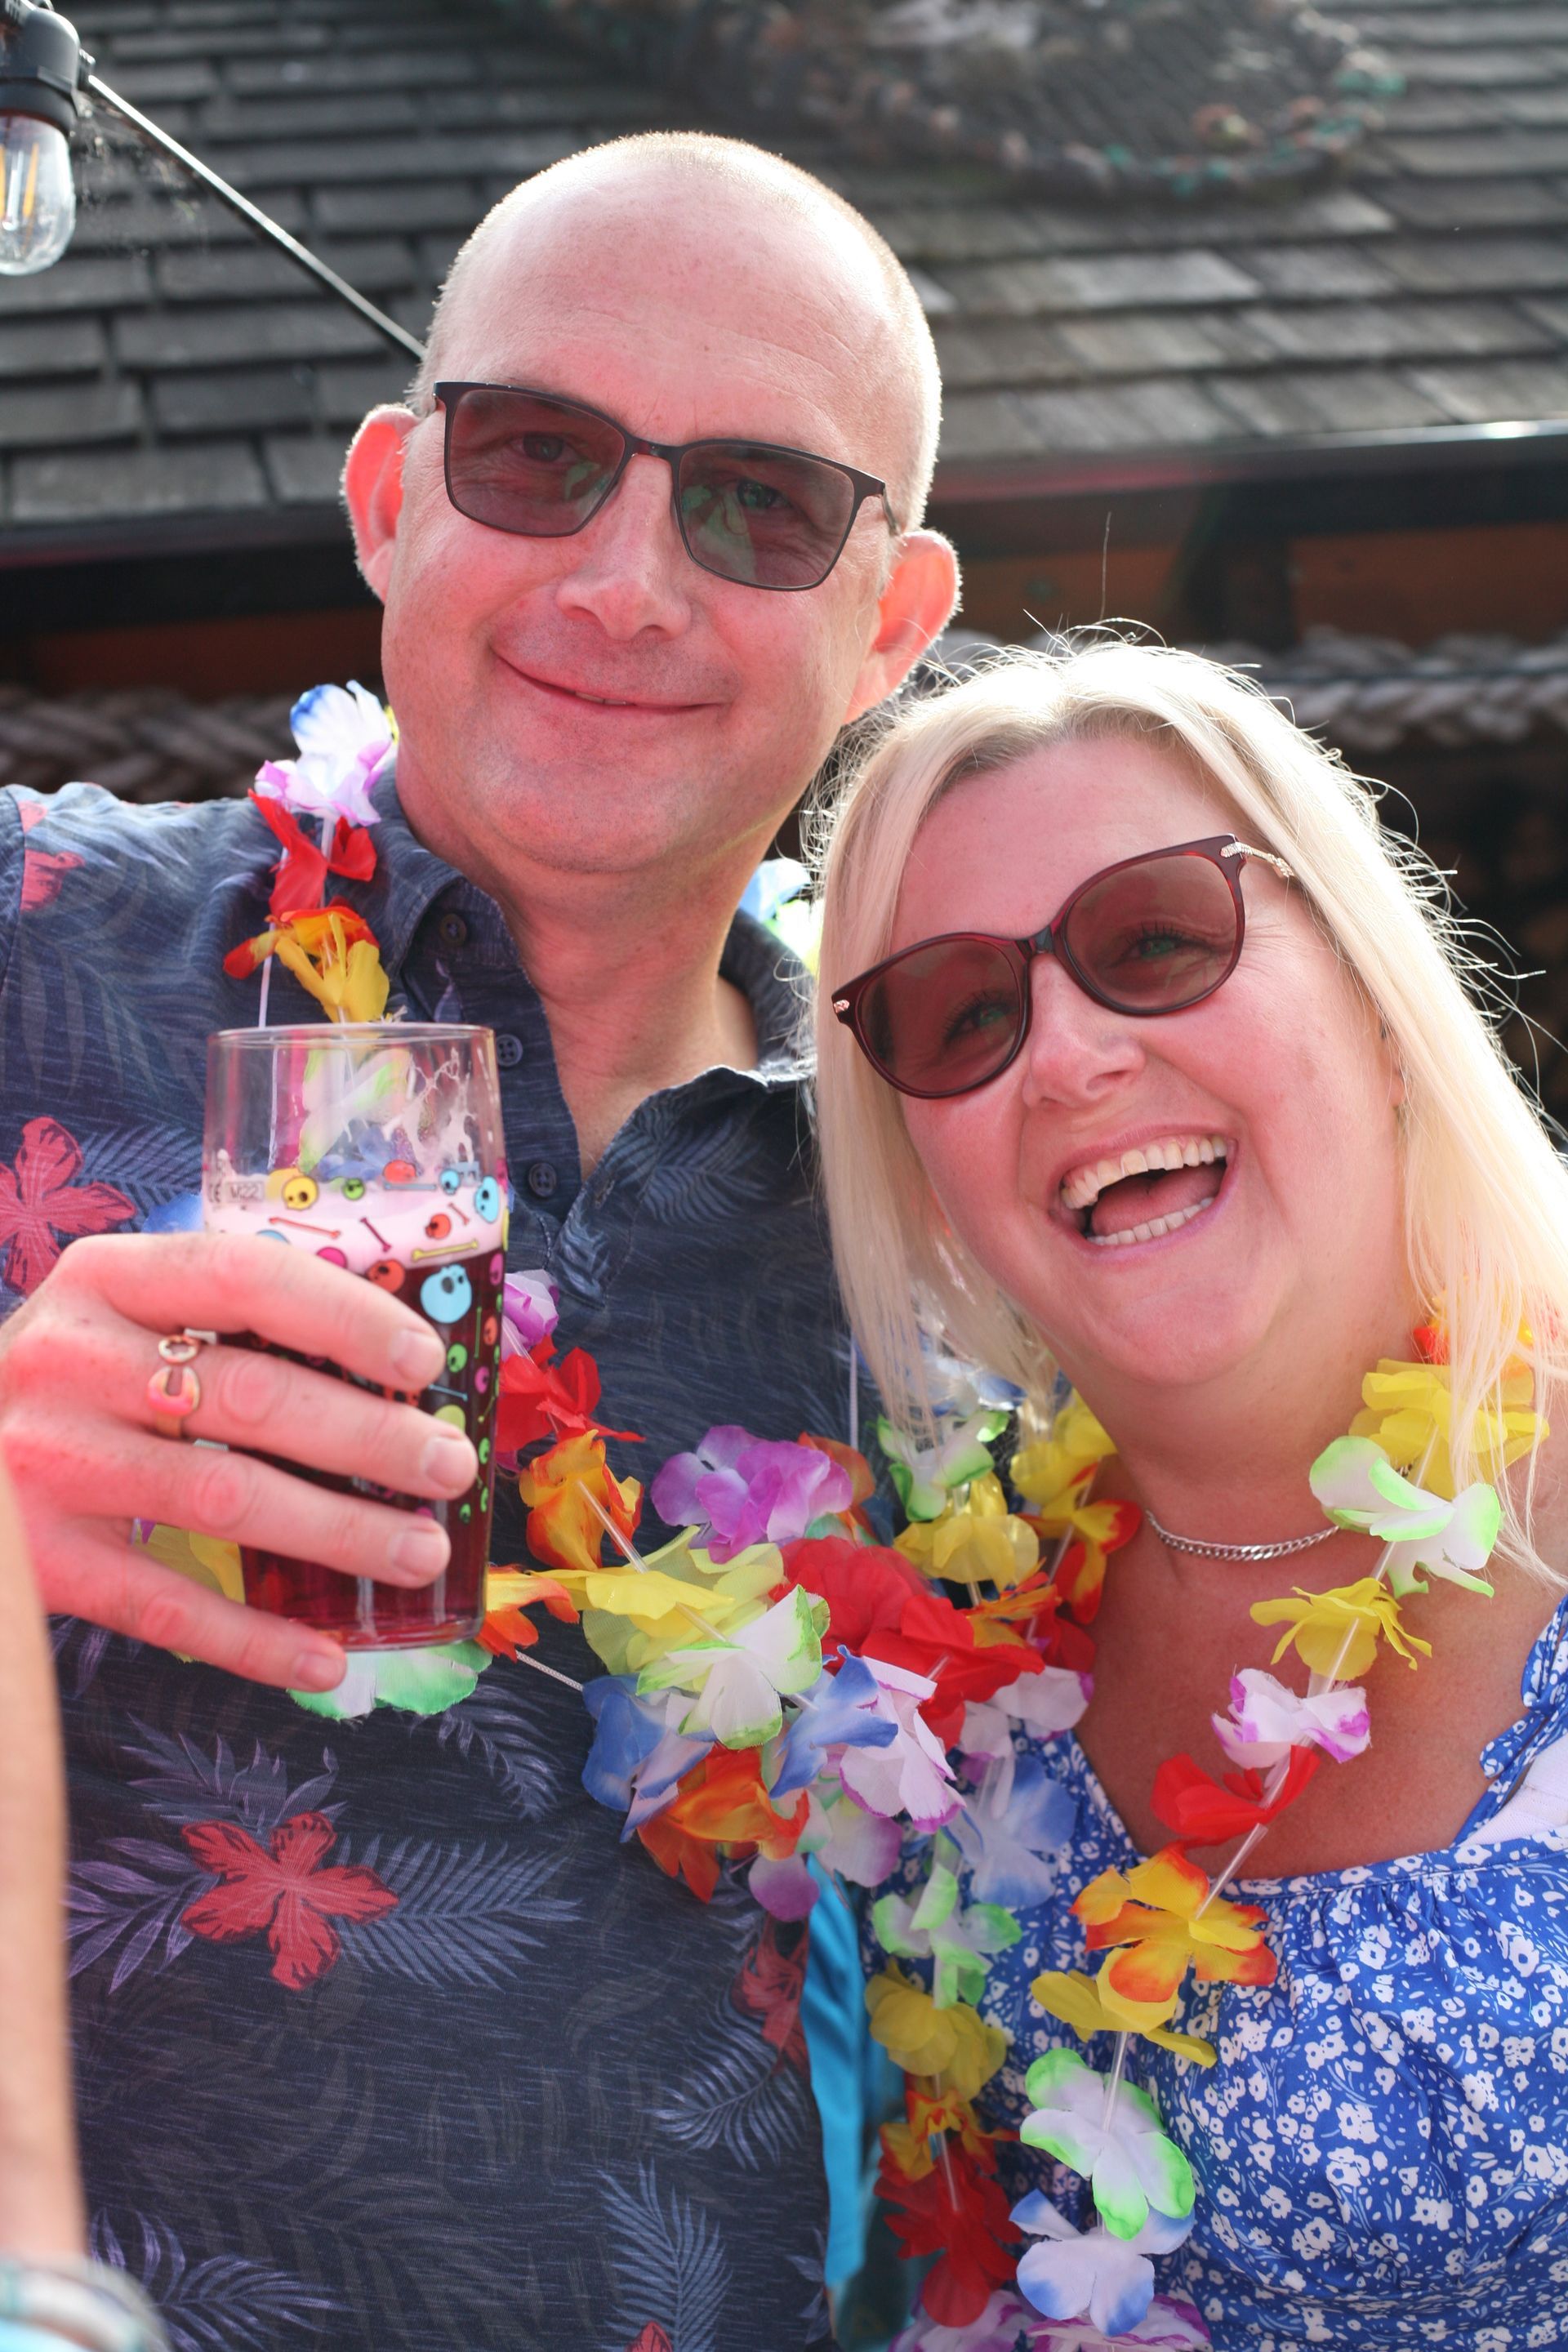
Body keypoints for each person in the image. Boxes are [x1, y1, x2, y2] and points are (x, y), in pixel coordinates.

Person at [0, 131, 958, 2349]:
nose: (629, 580)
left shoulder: (970, 1172)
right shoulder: (31, 932)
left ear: (888, 621)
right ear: (386, 497)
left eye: (757, 504)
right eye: (539, 455)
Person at [812, 639, 1568, 2348]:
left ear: (1376, 1001)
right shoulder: (957, 1695)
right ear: (926, 1172)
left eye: (1155, 937)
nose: (1069, 1056)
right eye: (961, 1015)